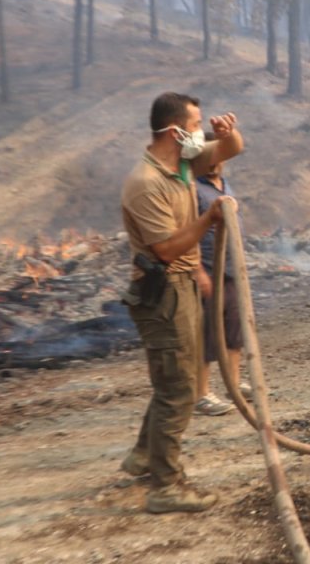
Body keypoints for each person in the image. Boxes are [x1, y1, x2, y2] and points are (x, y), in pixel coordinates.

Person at [118, 92, 243, 513]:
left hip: (184, 284)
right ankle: (166, 486)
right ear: (175, 131)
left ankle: (142, 456)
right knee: (179, 388)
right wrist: (210, 219)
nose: (199, 131)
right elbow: (167, 249)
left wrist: (228, 134)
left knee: (174, 378)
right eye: (195, 125)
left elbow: (231, 150)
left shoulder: (183, 164)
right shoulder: (146, 183)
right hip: (163, 292)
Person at [193, 133, 253, 416]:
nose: (214, 164)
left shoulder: (224, 185)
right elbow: (187, 231)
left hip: (231, 269)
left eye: (218, 159)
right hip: (208, 270)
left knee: (234, 329)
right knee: (205, 335)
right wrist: (197, 271)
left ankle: (233, 383)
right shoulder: (193, 190)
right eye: (209, 159)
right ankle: (201, 394)